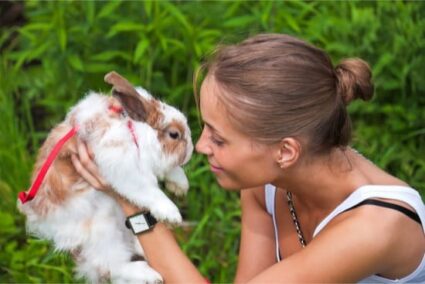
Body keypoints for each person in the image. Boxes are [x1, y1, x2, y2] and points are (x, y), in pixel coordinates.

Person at [71, 33, 425, 283]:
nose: (204, 146)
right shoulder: (267, 183)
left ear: (285, 151)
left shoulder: (375, 226)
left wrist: (134, 203)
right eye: (204, 128)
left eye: (219, 138)